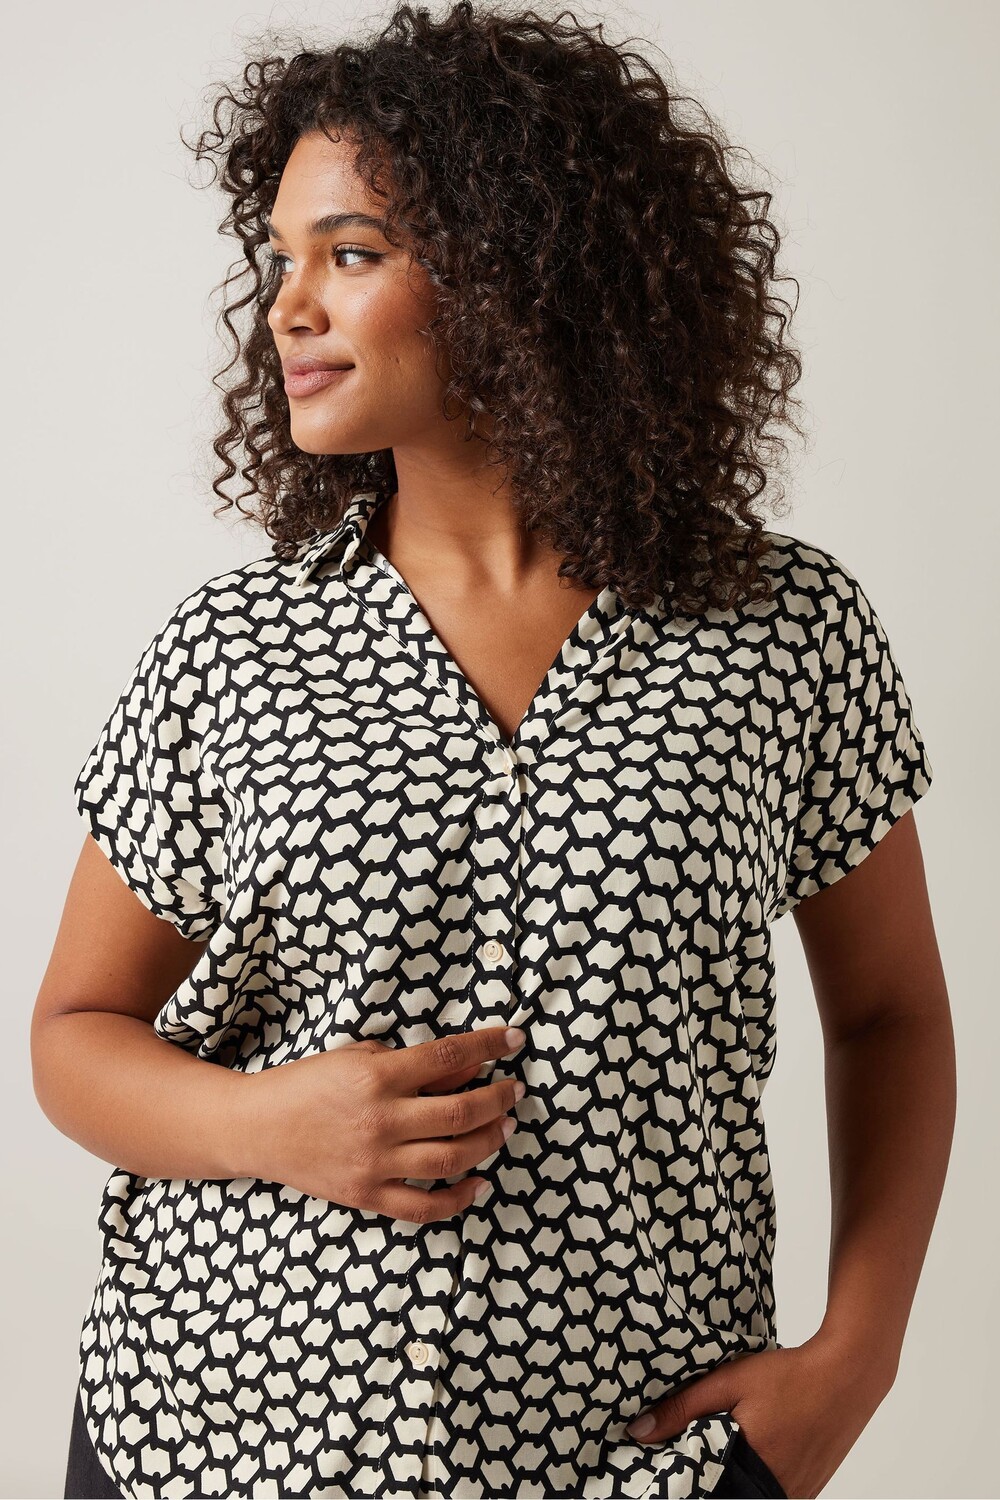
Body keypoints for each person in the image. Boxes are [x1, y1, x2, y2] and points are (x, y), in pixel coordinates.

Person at [35, 4, 953, 1498]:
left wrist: (860, 1354)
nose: (287, 308)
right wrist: (272, 1122)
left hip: (639, 1456)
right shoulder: (233, 650)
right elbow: (74, 1034)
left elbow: (894, 1015)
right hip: (218, 1437)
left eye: (350, 253)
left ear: (518, 268)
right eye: (280, 258)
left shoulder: (783, 630)